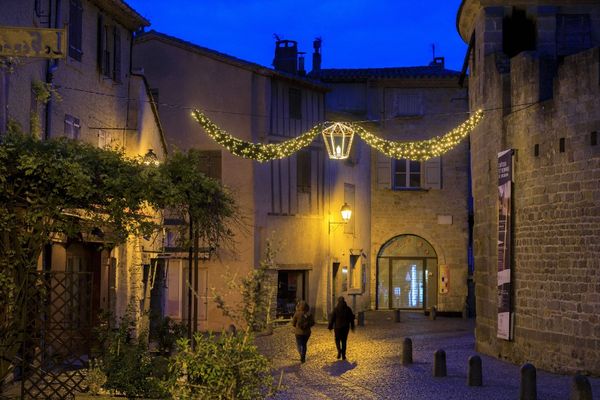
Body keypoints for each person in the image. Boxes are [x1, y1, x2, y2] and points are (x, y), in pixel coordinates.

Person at [328, 296, 355, 360]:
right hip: (345, 327)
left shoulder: (336, 309)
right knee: (344, 341)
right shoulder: (348, 309)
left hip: (337, 327)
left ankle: (339, 350)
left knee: (337, 340)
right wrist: (352, 326)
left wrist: (330, 326)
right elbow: (351, 318)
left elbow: (332, 318)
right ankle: (343, 354)